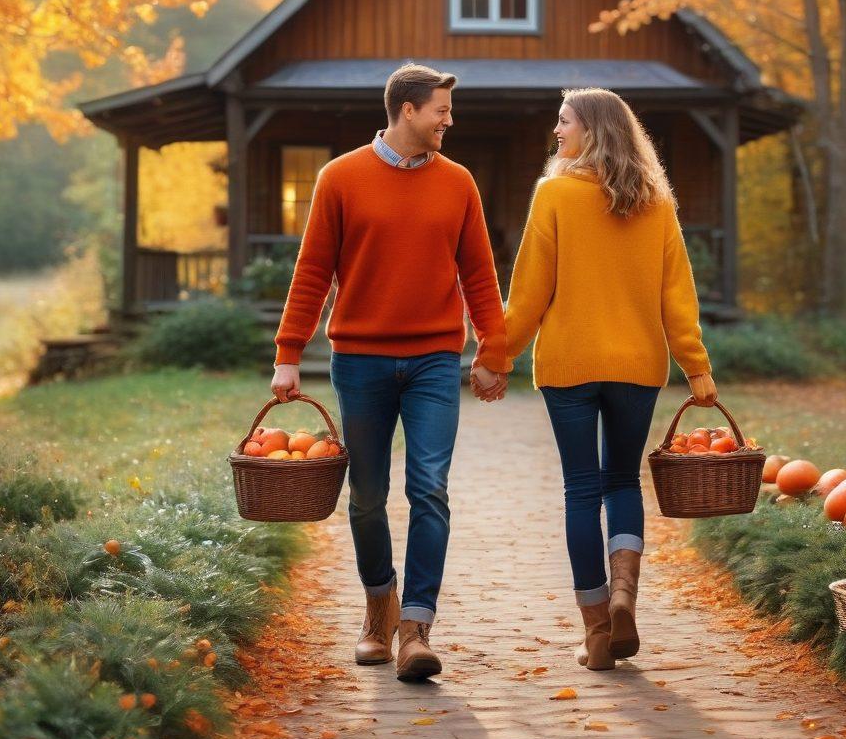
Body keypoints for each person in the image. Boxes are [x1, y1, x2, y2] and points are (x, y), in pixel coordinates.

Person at [271, 62, 508, 683]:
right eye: (441, 111)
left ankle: (416, 628)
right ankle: (380, 604)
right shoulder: (340, 178)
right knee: (368, 495)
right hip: (361, 360)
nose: (449, 121)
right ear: (408, 110)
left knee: (429, 486)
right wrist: (289, 354)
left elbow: (480, 274)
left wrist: (493, 352)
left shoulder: (459, 183)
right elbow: (313, 271)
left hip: (435, 358)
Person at [487, 87, 718, 671]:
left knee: (581, 489)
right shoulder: (656, 203)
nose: (557, 133)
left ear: (591, 129)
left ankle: (596, 631)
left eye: (564, 122)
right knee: (622, 482)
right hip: (637, 366)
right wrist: (697, 369)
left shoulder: (555, 194)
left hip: (570, 365)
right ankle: (624, 596)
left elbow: (531, 292)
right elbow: (677, 299)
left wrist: (497, 355)